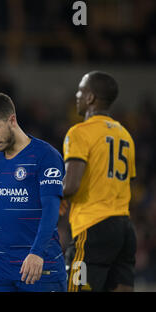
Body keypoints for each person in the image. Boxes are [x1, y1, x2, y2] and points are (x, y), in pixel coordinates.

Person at [0, 93, 67, 292]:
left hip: (39, 264)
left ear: (12, 120)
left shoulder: (46, 156)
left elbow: (51, 209)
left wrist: (37, 253)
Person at [62, 71, 136, 292]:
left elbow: (71, 185)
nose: (77, 94)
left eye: (81, 90)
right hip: (124, 229)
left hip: (92, 226)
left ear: (90, 98)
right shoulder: (125, 135)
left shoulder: (79, 133)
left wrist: (46, 191)